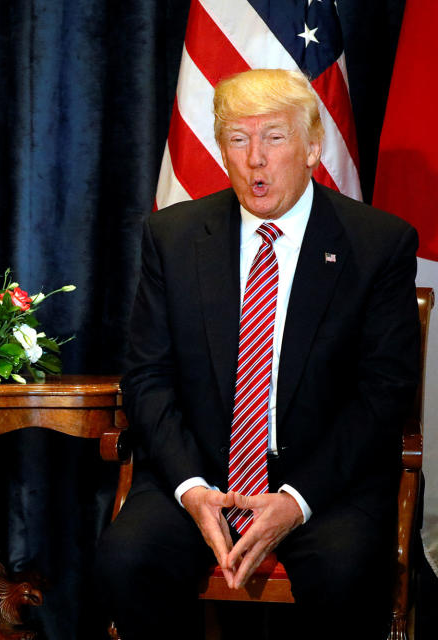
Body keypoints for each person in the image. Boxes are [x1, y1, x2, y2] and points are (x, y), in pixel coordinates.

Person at [94, 68, 419, 639]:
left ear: (313, 148)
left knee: (347, 573)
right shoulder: (172, 237)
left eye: (273, 137)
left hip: (323, 481)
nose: (255, 160)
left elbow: (383, 394)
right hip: (201, 471)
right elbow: (148, 377)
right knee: (128, 558)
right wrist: (193, 490)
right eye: (238, 141)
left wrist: (295, 501)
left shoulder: (377, 244)